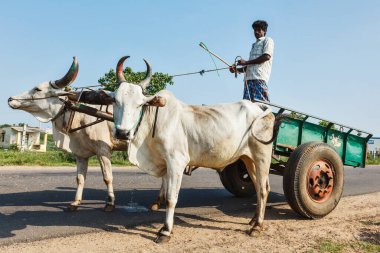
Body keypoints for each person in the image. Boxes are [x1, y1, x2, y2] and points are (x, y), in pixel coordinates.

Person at [230, 20, 274, 102]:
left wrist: (246, 62)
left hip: (258, 78)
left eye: (259, 30)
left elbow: (266, 57)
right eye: (255, 30)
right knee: (247, 107)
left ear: (264, 31)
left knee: (261, 105)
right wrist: (236, 70)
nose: (256, 32)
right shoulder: (254, 45)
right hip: (248, 80)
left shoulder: (268, 40)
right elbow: (249, 67)